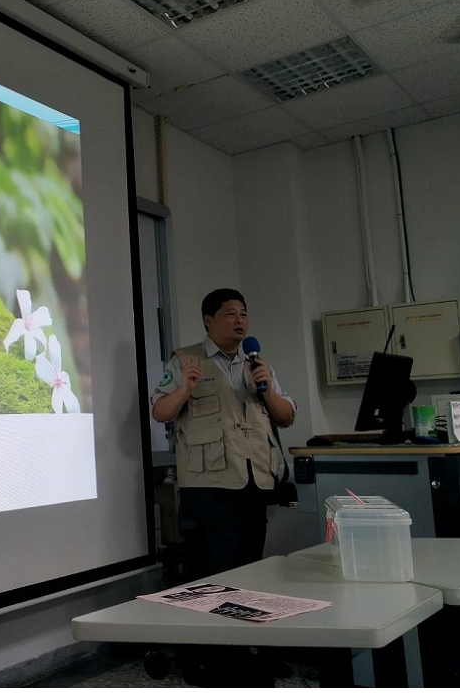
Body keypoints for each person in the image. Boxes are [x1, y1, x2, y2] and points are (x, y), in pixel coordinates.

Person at [152, 289, 297, 687]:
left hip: (254, 483)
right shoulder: (185, 359)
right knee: (212, 577)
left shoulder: (257, 364)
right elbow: (160, 410)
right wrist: (186, 386)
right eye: (230, 313)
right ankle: (211, 663)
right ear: (207, 321)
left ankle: (249, 656)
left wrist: (266, 388)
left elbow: (286, 417)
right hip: (208, 487)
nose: (240, 320)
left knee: (253, 574)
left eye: (244, 314)